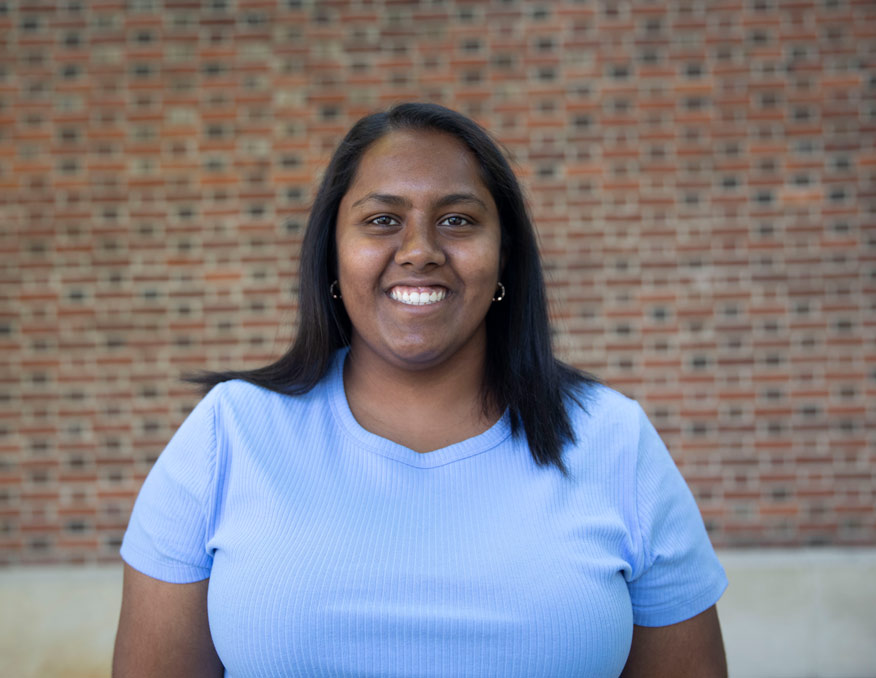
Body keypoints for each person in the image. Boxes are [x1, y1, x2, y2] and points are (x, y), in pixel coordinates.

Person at [113, 102, 728, 677]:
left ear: (504, 256)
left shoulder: (613, 440)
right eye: (382, 220)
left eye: (457, 220)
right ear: (332, 252)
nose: (420, 251)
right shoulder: (231, 434)